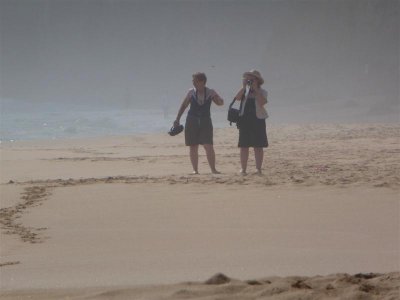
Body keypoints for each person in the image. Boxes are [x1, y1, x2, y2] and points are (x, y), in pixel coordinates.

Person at [174, 72, 224, 174]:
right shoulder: (191, 92)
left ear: (202, 81)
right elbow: (184, 106)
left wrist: (220, 100)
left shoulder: (210, 92)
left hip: (205, 120)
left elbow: (219, 103)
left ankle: (213, 169)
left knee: (208, 145)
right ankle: (195, 170)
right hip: (192, 120)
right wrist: (177, 119)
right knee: (193, 146)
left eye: (195, 81)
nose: (193, 83)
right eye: (193, 81)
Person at [233, 70, 269, 175]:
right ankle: (243, 169)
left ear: (257, 80)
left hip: (258, 120)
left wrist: (256, 90)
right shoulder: (245, 91)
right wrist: (244, 87)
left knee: (258, 146)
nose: (250, 81)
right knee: (244, 146)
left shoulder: (263, 91)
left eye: (252, 79)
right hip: (244, 120)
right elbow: (237, 98)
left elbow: (262, 102)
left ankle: (258, 169)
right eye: (248, 79)